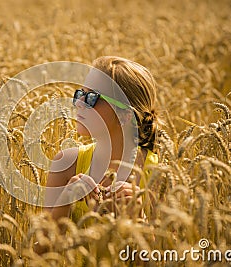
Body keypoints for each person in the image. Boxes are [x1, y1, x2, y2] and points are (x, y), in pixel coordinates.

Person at [43, 56, 160, 224]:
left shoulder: (158, 174)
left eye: (91, 97)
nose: (79, 104)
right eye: (79, 94)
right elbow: (41, 249)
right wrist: (66, 199)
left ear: (125, 115)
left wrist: (138, 219)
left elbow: (169, 249)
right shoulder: (66, 164)